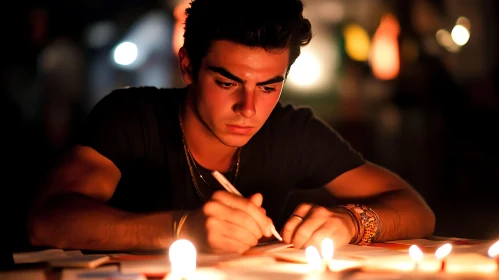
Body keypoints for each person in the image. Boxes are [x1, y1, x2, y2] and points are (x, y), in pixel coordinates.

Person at [27, 0, 435, 254]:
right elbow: (47, 220)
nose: (249, 108)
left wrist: (351, 221)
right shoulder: (132, 117)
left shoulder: (292, 131)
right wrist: (181, 228)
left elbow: (416, 210)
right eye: (227, 83)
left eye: (269, 86)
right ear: (188, 66)